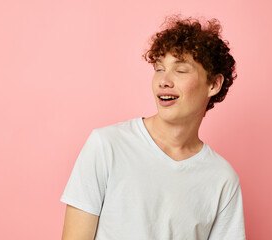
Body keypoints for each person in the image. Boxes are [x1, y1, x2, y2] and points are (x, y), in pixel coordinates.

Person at [61, 16, 245, 240]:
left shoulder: (222, 179)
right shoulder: (106, 146)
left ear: (213, 84)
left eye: (181, 70)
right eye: (159, 69)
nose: (163, 80)